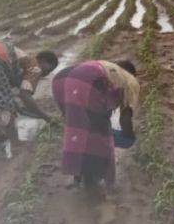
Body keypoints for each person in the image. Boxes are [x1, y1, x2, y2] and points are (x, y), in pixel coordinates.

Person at [52, 59, 139, 192]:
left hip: (61, 80)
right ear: (131, 74)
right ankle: (93, 179)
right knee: (99, 133)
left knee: (78, 129)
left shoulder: (107, 72)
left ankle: (79, 174)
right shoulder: (130, 80)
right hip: (84, 82)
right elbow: (125, 118)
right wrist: (129, 135)